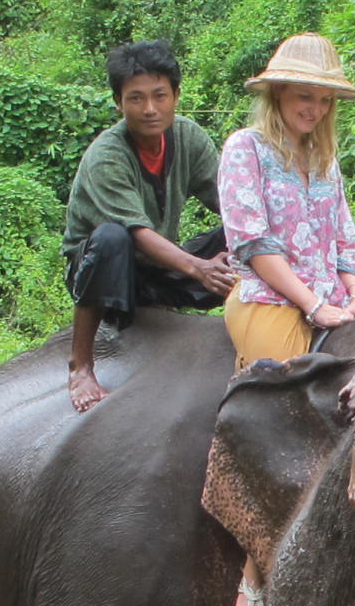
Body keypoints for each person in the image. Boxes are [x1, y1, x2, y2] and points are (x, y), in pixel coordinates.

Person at [219, 34, 355, 606]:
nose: (314, 108)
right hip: (269, 297)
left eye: (323, 99)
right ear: (279, 93)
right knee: (283, 413)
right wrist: (311, 303)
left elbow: (344, 238)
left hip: (331, 299)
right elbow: (252, 241)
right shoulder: (247, 149)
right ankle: (256, 568)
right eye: (304, 96)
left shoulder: (324, 158)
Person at [62, 40, 234, 414]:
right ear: (119, 103)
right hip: (107, 272)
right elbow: (135, 232)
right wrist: (199, 268)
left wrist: (245, 249)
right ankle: (81, 365)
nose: (150, 109)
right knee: (112, 237)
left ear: (176, 96)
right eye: (136, 99)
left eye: (159, 95)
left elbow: (232, 203)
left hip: (158, 268)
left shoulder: (188, 137)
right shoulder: (107, 156)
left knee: (242, 237)